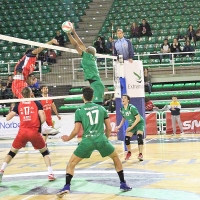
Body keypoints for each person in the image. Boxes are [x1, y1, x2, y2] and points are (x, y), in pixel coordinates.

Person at [56, 87, 132, 197]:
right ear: (93, 96)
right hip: (101, 139)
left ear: (83, 97)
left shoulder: (79, 111)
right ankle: (123, 183)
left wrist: (68, 138)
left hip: (87, 140)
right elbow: (109, 128)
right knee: (115, 158)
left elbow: (76, 130)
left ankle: (67, 186)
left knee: (71, 163)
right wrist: (105, 139)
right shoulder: (102, 109)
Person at [0, 87, 56, 182]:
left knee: (12, 153)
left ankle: (1, 170)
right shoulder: (37, 103)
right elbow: (43, 117)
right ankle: (50, 173)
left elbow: (8, 118)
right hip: (34, 132)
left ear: (22, 94)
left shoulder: (19, 104)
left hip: (22, 133)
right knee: (45, 152)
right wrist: (39, 124)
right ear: (31, 93)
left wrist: (14, 111)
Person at [66, 27, 105, 104]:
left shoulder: (87, 56)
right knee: (96, 106)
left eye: (87, 48)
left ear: (87, 51)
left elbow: (77, 45)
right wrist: (73, 32)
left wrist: (68, 34)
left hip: (96, 85)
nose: (85, 48)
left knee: (96, 106)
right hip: (96, 83)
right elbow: (80, 44)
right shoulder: (91, 57)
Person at [116, 94, 145, 161]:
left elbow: (138, 119)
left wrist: (131, 127)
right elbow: (124, 118)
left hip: (139, 123)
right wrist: (119, 126)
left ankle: (140, 154)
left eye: (125, 98)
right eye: (122, 98)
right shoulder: (122, 109)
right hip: (132, 123)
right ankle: (129, 152)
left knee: (139, 137)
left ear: (128, 100)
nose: (123, 99)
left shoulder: (132, 108)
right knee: (126, 138)